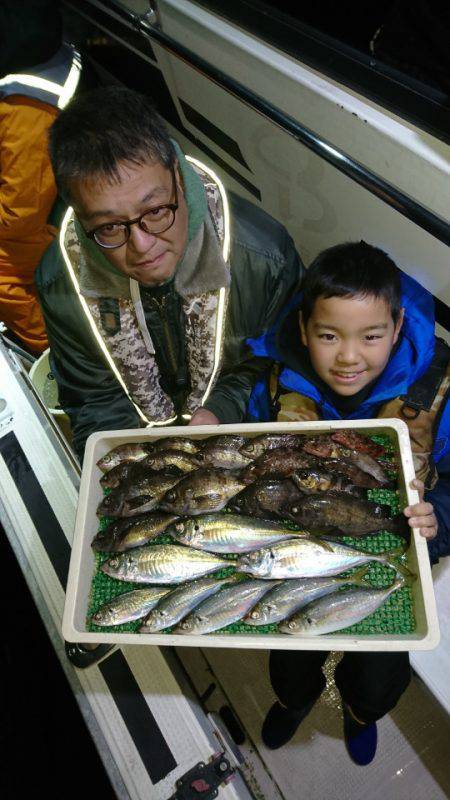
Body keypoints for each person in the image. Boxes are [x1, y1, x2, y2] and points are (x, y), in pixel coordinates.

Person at [246, 241, 450, 764]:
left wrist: (440, 518)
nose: (349, 356)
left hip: (393, 554)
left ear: (399, 327)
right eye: (329, 335)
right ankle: (296, 699)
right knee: (289, 652)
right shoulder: (275, 385)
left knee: (379, 673)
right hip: (295, 551)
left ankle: (361, 711)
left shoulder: (439, 396)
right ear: (303, 330)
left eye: (372, 335)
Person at [35, 86, 303, 460]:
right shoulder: (60, 282)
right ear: (79, 216)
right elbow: (93, 399)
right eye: (110, 227)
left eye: (157, 210)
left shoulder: (264, 259)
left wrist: (221, 410)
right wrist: (135, 461)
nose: (143, 247)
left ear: (177, 173)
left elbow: (274, 363)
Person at [0, 0, 81, 355]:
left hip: (52, 216)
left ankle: (52, 354)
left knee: (2, 273)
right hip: (40, 192)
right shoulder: (36, 36)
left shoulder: (27, 104)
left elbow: (19, 216)